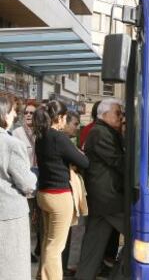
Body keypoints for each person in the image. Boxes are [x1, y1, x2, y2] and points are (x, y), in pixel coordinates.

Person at [33, 100, 89, 280]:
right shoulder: (59, 138)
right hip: (59, 196)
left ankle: (42, 276)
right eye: (65, 118)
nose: (66, 122)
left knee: (47, 241)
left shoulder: (40, 136)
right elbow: (84, 162)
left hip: (43, 194)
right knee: (56, 247)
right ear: (59, 118)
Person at [76, 98, 125, 280]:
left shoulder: (105, 131)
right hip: (109, 198)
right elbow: (118, 160)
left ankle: (84, 276)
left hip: (103, 198)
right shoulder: (100, 133)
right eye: (118, 113)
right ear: (104, 114)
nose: (121, 117)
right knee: (140, 232)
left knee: (93, 245)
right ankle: (119, 275)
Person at [0, 95, 37, 280]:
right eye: (13, 111)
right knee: (11, 265)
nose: (15, 115)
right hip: (9, 215)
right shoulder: (11, 144)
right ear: (4, 114)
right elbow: (27, 183)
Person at [12, 102, 41, 262]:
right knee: (28, 218)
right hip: (26, 180)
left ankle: (38, 247)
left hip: (41, 180)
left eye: (32, 113)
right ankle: (27, 251)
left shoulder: (40, 132)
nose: (29, 115)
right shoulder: (16, 133)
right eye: (26, 113)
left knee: (40, 217)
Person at [61, 110, 81, 277]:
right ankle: (63, 269)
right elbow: (82, 161)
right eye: (75, 124)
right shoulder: (63, 140)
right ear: (64, 122)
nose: (77, 127)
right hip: (62, 193)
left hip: (55, 192)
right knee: (64, 235)